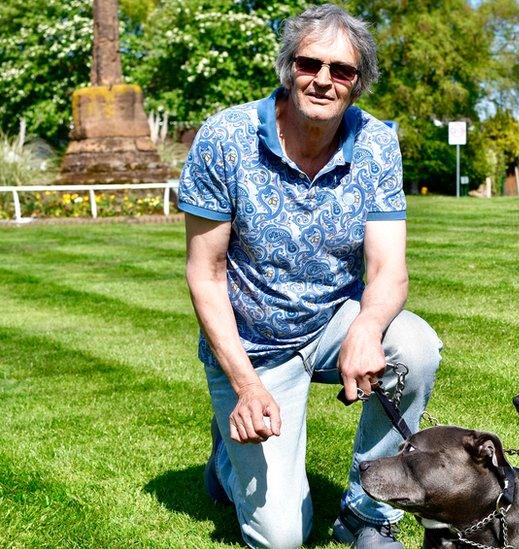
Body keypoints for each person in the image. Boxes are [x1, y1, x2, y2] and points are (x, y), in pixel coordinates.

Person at [178, 5, 441, 549]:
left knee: (414, 347)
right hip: (253, 345)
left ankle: (366, 514)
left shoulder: (376, 144)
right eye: (309, 64)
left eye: (341, 70)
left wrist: (367, 331)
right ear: (288, 67)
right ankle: (229, 456)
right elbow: (206, 274)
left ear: (358, 83)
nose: (323, 80)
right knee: (281, 539)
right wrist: (246, 385)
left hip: (332, 323)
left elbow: (388, 267)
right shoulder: (225, 138)